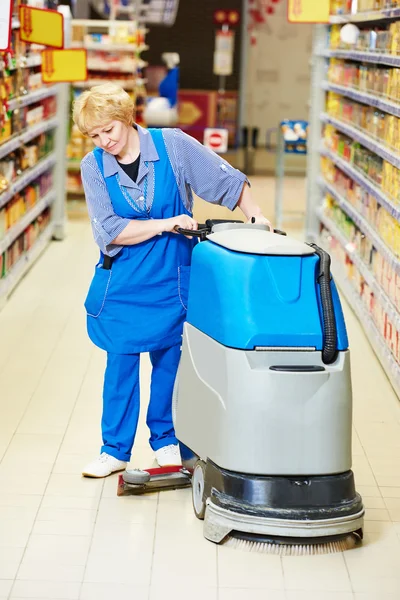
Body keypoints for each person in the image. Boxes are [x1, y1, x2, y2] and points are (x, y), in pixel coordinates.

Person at [73, 83, 271, 478]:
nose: (104, 141)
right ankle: (114, 450)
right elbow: (109, 231)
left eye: (108, 130)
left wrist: (257, 217)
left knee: (170, 362)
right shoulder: (93, 167)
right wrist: (167, 223)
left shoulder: (173, 146)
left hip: (171, 276)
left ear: (127, 117)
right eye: (94, 136)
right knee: (121, 365)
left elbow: (227, 181)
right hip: (125, 280)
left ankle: (166, 440)